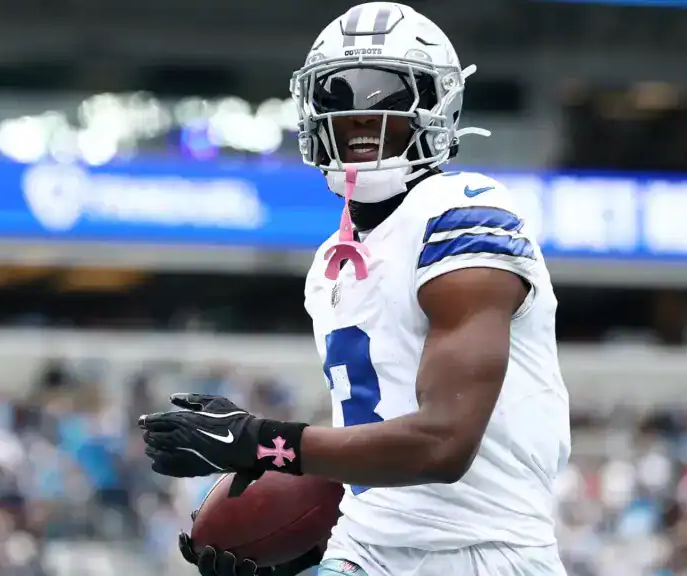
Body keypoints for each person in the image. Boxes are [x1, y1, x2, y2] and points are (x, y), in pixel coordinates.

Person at [139, 2, 571, 575]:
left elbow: (444, 443)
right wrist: (299, 546)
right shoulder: (331, 263)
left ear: (438, 107)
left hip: (481, 554)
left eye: (388, 97)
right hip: (361, 550)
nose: (360, 115)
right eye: (337, 98)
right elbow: (367, 435)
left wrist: (260, 440)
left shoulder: (463, 212)